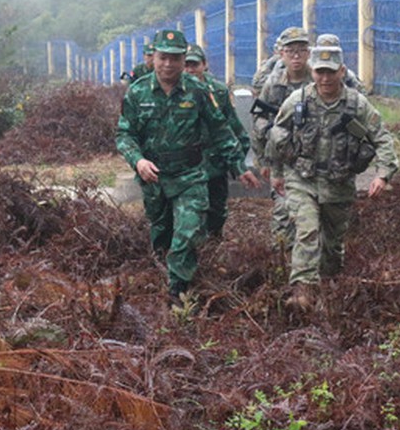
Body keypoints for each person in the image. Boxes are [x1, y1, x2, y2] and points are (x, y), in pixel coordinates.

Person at [116, 30, 261, 303]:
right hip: (154, 178)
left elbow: (220, 130)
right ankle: (161, 271)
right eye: (163, 58)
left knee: (189, 229)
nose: (168, 64)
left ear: (184, 60)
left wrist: (239, 166)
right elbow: (124, 135)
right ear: (153, 59)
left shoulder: (198, 91)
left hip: (191, 175)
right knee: (161, 234)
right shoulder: (137, 92)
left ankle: (178, 291)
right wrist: (138, 160)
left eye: (175, 58)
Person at [268, 44, 399, 312]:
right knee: (307, 229)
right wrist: (278, 173)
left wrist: (382, 174)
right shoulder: (298, 101)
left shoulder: (356, 104)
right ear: (311, 71)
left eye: (330, 72)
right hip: (302, 179)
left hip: (338, 184)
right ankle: (302, 291)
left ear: (342, 71)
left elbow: (382, 138)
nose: (325, 79)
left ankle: (329, 289)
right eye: (319, 72)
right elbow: (277, 134)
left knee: (332, 244)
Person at [250, 27, 314, 247]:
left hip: (316, 157)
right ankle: (280, 260)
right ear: (281, 54)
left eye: (301, 50)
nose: (296, 56)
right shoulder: (274, 84)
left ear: (308, 53)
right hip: (284, 158)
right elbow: (259, 119)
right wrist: (264, 158)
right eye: (290, 51)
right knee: (283, 211)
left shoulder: (320, 78)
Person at [184, 43, 250, 238]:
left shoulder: (218, 91)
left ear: (204, 65)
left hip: (214, 163)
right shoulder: (174, 90)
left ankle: (213, 246)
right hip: (187, 166)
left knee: (217, 211)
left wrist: (236, 164)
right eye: (185, 65)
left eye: (194, 65)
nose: (189, 70)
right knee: (189, 214)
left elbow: (234, 128)